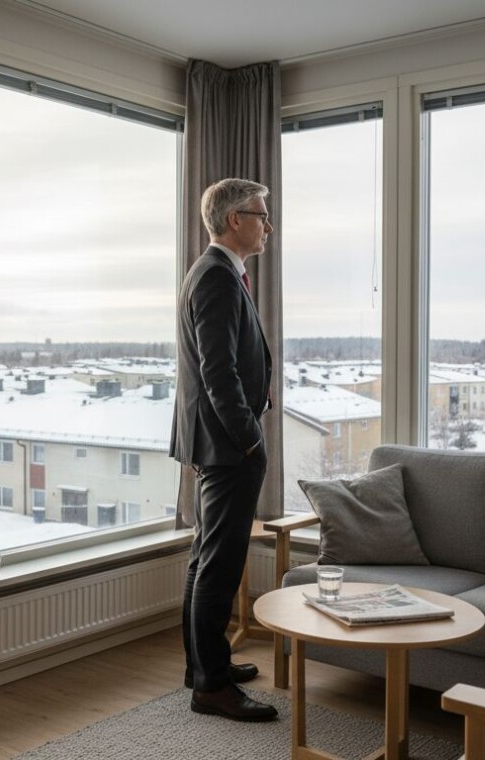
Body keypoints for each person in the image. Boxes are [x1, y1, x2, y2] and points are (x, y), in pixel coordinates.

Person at [170, 178, 277, 722]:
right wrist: (250, 438)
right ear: (235, 220)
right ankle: (210, 686)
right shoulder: (215, 276)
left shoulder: (216, 272)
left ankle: (203, 665)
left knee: (205, 555)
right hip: (227, 446)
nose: (267, 225)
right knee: (220, 561)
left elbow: (230, 358)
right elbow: (218, 371)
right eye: (261, 214)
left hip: (215, 441)